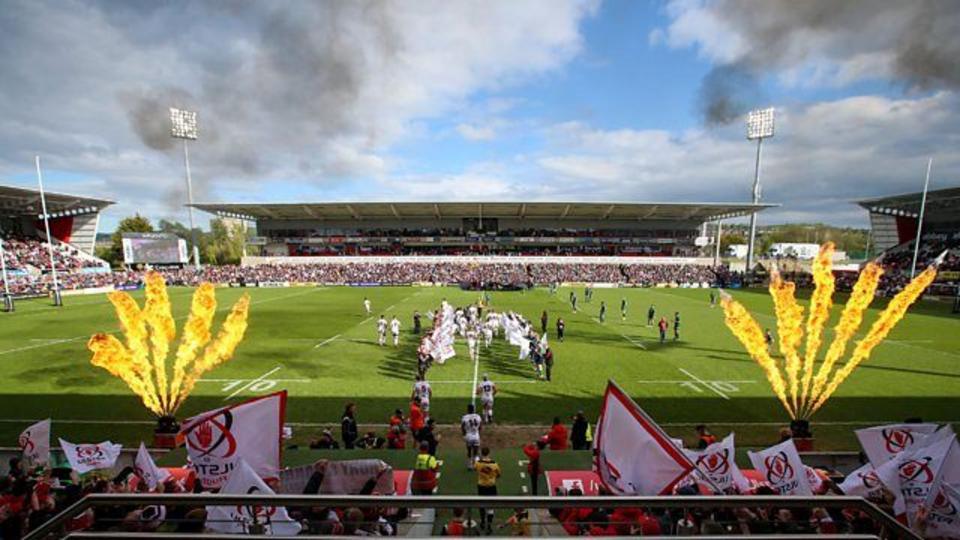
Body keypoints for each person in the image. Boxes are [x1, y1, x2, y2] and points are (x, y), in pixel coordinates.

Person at [476, 447, 501, 534]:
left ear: (482, 453)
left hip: (481, 486)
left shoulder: (478, 463)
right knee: (491, 506)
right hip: (491, 487)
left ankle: (482, 522)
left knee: (481, 505)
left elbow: (476, 470)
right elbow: (499, 474)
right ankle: (489, 525)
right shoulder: (494, 464)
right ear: (489, 453)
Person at [461, 403, 483, 469]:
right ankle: (475, 464)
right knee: (476, 452)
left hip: (468, 436)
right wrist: (478, 432)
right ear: (474, 409)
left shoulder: (464, 417)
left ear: (467, 410)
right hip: (476, 435)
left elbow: (462, 427)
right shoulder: (478, 416)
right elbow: (480, 427)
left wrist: (464, 435)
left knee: (469, 451)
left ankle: (470, 465)